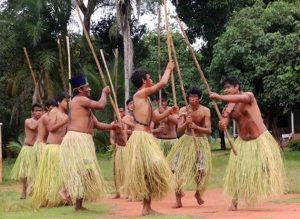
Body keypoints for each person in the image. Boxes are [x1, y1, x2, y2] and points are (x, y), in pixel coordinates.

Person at [209, 76, 285, 210]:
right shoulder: (227, 108)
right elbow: (224, 126)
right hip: (243, 142)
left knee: (264, 168)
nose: (226, 90)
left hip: (260, 140)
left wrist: (219, 97)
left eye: (228, 87)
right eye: (224, 88)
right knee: (238, 172)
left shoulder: (248, 96)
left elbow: (240, 99)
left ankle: (263, 183)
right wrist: (222, 124)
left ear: (237, 86)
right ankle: (234, 201)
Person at [122, 61, 178, 215]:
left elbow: (156, 117)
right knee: (154, 166)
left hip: (147, 137)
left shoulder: (146, 99)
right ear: (143, 81)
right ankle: (145, 207)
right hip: (140, 138)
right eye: (149, 77)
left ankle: (147, 208)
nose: (151, 79)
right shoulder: (139, 94)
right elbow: (163, 83)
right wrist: (168, 69)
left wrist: (170, 112)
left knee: (149, 173)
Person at [59, 73, 120, 210]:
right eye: (87, 87)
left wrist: (112, 127)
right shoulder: (79, 99)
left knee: (86, 171)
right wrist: (104, 93)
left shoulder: (85, 106)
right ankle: (65, 188)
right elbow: (101, 105)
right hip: (76, 140)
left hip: (84, 141)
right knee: (80, 169)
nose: (90, 89)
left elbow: (97, 125)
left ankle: (78, 205)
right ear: (80, 90)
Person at [167, 87, 212, 208]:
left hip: (200, 141)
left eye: (194, 97)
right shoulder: (183, 110)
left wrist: (196, 127)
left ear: (200, 98)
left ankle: (198, 193)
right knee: (176, 170)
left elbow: (208, 130)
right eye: (190, 97)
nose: (192, 99)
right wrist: (186, 123)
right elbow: (178, 131)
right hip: (186, 141)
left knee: (201, 171)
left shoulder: (206, 111)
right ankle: (178, 200)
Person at [31, 92, 69, 208]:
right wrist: (64, 121)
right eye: (65, 101)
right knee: (49, 175)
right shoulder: (54, 112)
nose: (67, 103)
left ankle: (58, 198)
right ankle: (45, 199)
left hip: (61, 148)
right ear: (59, 102)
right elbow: (51, 128)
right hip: (52, 148)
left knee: (60, 175)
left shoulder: (67, 116)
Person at [11, 103, 43, 199]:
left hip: (38, 149)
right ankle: (24, 190)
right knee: (25, 172)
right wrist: (43, 117)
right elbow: (33, 127)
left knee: (37, 171)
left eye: (40, 110)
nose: (39, 112)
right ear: (32, 112)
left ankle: (34, 189)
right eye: (37, 110)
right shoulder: (28, 121)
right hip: (28, 149)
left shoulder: (43, 121)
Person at [151, 91, 178, 156]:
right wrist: (157, 130)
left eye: (165, 101)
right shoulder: (154, 113)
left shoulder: (173, 110)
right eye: (161, 101)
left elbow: (177, 122)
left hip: (172, 141)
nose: (163, 103)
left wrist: (164, 112)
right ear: (157, 101)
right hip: (159, 141)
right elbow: (149, 130)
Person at [110, 106, 126, 199]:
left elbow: (127, 135)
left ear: (124, 113)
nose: (120, 113)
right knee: (116, 171)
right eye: (118, 112)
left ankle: (128, 190)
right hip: (118, 149)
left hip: (127, 148)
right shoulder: (113, 124)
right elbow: (112, 137)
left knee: (127, 170)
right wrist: (113, 144)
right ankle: (117, 192)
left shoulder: (126, 122)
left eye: (121, 111)